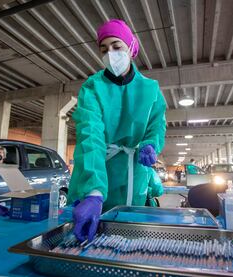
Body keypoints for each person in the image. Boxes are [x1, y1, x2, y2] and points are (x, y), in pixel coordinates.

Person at [67, 19, 166, 242]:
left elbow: (157, 125)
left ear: (131, 48)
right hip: (101, 166)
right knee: (97, 234)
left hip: (135, 170)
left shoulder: (150, 89)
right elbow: (90, 136)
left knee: (133, 232)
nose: (110, 53)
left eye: (116, 46)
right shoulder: (92, 87)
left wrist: (151, 144)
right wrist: (93, 192)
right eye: (104, 49)